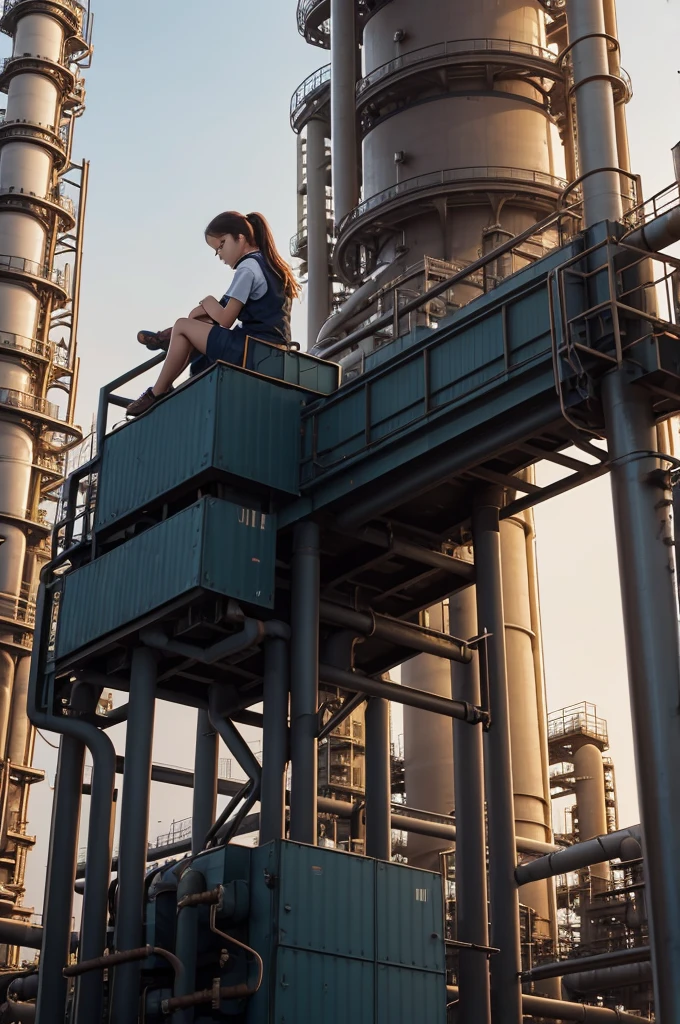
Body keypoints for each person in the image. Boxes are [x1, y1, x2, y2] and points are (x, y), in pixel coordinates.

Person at [126, 211, 301, 417]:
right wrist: (204, 312)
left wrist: (207, 301)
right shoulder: (271, 265)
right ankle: (171, 339)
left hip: (251, 350)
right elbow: (219, 313)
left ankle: (157, 391)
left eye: (221, 245)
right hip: (270, 350)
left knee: (183, 325)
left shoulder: (247, 268)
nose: (219, 254)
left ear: (240, 237)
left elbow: (225, 319)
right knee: (195, 325)